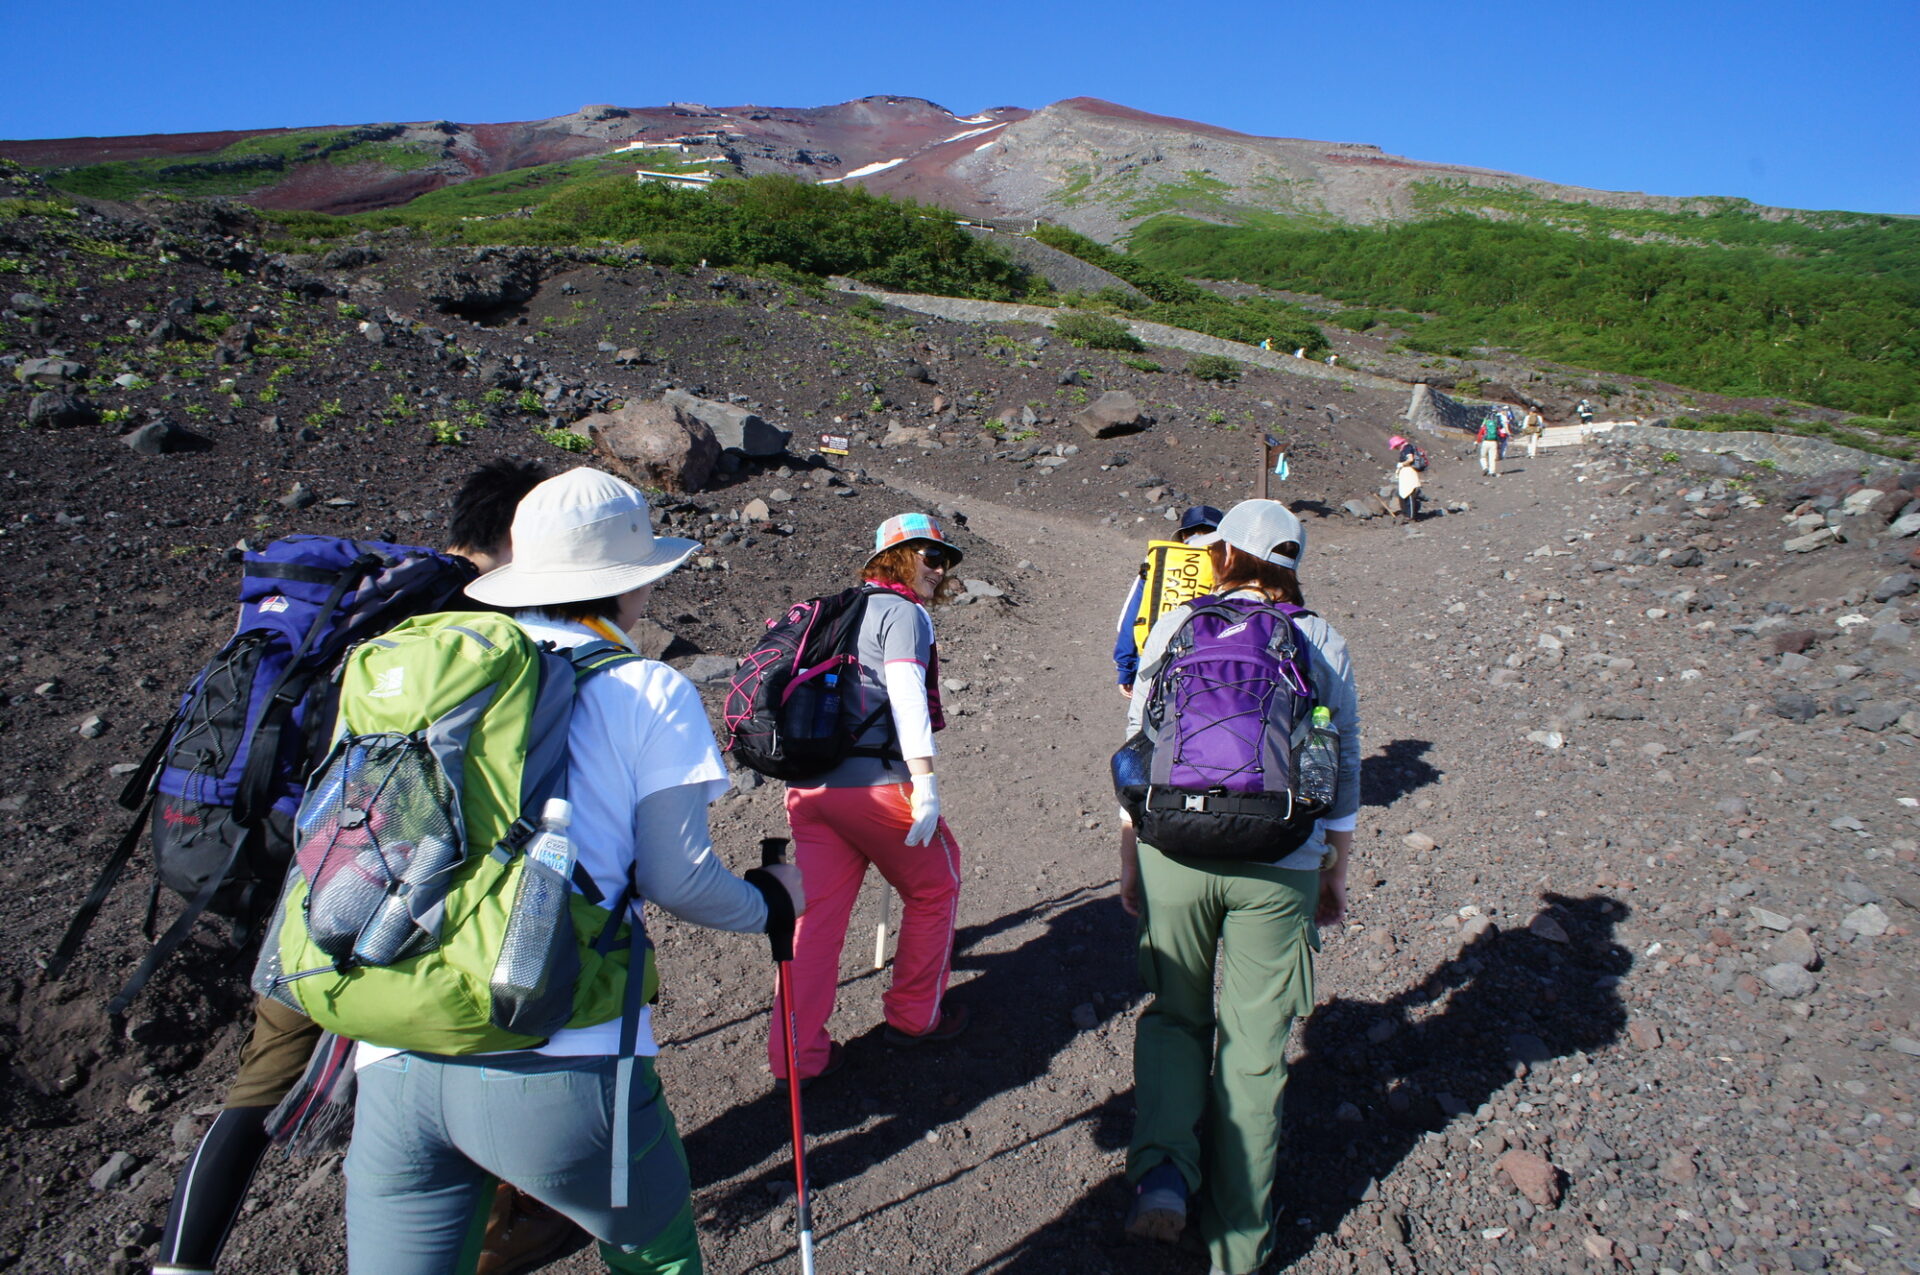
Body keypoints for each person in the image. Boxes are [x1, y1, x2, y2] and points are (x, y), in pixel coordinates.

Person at [342, 466, 807, 1275]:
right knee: (654, 1257)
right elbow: (678, 878)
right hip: (561, 1054)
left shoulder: (434, 671)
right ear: (636, 583)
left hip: (393, 1047)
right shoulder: (645, 688)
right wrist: (770, 902)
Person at [154, 458, 554, 1275]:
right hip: (379, 889)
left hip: (284, 863)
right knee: (448, 1056)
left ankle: (180, 1263)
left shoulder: (370, 595)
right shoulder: (457, 617)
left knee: (256, 1087)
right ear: (518, 534)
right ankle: (483, 1236)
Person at [1116, 499, 1360, 1275]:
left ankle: (1163, 1170)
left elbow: (1138, 742)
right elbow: (1344, 767)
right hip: (1283, 857)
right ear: (1293, 562)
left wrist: (1131, 854)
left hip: (1175, 847)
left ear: (1222, 558)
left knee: (1175, 1014)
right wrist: (1332, 871)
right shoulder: (1322, 639)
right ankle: (1239, 1242)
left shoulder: (1177, 626)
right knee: (1254, 1050)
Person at [769, 513, 968, 1085]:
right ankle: (912, 1018)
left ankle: (795, 1056)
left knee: (817, 922)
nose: (939, 568)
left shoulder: (835, 610)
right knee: (936, 887)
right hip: (878, 788)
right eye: (928, 556)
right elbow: (906, 693)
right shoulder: (903, 612)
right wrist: (924, 782)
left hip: (810, 791)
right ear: (896, 558)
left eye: (944, 559)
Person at [1112, 505, 1222, 698]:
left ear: (1182, 536)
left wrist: (1126, 669)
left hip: (1153, 665)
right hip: (1206, 669)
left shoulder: (1160, 561)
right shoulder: (1226, 565)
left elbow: (1132, 615)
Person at [1395, 447, 1422, 522]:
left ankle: (1410, 516)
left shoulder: (1407, 448)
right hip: (1406, 474)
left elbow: (1410, 459)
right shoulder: (1405, 449)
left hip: (1408, 475)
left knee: (1409, 494)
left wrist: (1402, 464)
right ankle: (1408, 515)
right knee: (1405, 494)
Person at [1477, 410, 1506, 477]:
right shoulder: (1496, 426)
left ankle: (1485, 467)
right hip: (1494, 442)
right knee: (1492, 458)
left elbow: (1480, 434)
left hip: (1485, 442)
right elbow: (1501, 434)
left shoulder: (1485, 425)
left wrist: (1478, 441)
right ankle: (1492, 471)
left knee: (1483, 456)